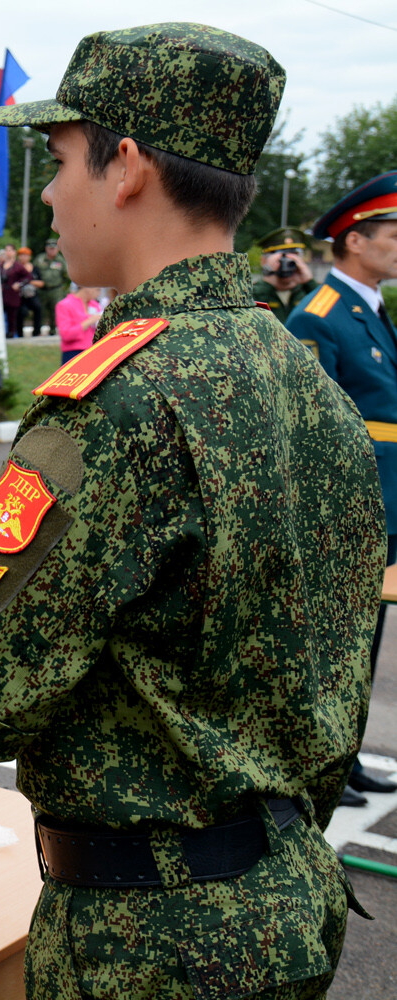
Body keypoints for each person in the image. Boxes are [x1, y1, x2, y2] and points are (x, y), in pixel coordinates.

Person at [0, 23, 382, 999]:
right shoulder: (307, 384)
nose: (48, 195)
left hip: (150, 940)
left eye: (58, 162)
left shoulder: (121, 403)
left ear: (126, 167)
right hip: (286, 897)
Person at [286, 170, 397, 808]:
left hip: (387, 508)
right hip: (351, 512)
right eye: (391, 235)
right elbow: (315, 430)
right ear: (354, 241)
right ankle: (321, 765)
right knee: (335, 646)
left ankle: (347, 758)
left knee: (369, 640)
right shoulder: (320, 314)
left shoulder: (372, 309)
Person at [251, 227, 318, 327]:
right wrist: (268, 281)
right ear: (264, 261)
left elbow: (331, 314)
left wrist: (308, 282)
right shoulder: (254, 293)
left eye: (294, 255)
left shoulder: (308, 293)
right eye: (282, 256)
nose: (287, 262)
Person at [54, 283, 102, 363]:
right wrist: (88, 322)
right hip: (73, 353)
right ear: (85, 287)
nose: (98, 293)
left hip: (94, 351)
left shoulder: (95, 305)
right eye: (97, 289)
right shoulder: (64, 305)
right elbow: (66, 334)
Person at [34, 239, 69, 333]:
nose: (52, 250)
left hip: (56, 289)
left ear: (57, 249)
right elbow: (34, 272)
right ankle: (38, 330)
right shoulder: (40, 259)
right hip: (42, 289)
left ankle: (53, 330)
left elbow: (66, 275)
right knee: (41, 310)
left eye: (53, 249)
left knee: (56, 310)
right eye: (50, 249)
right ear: (46, 249)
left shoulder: (61, 260)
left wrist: (61, 286)